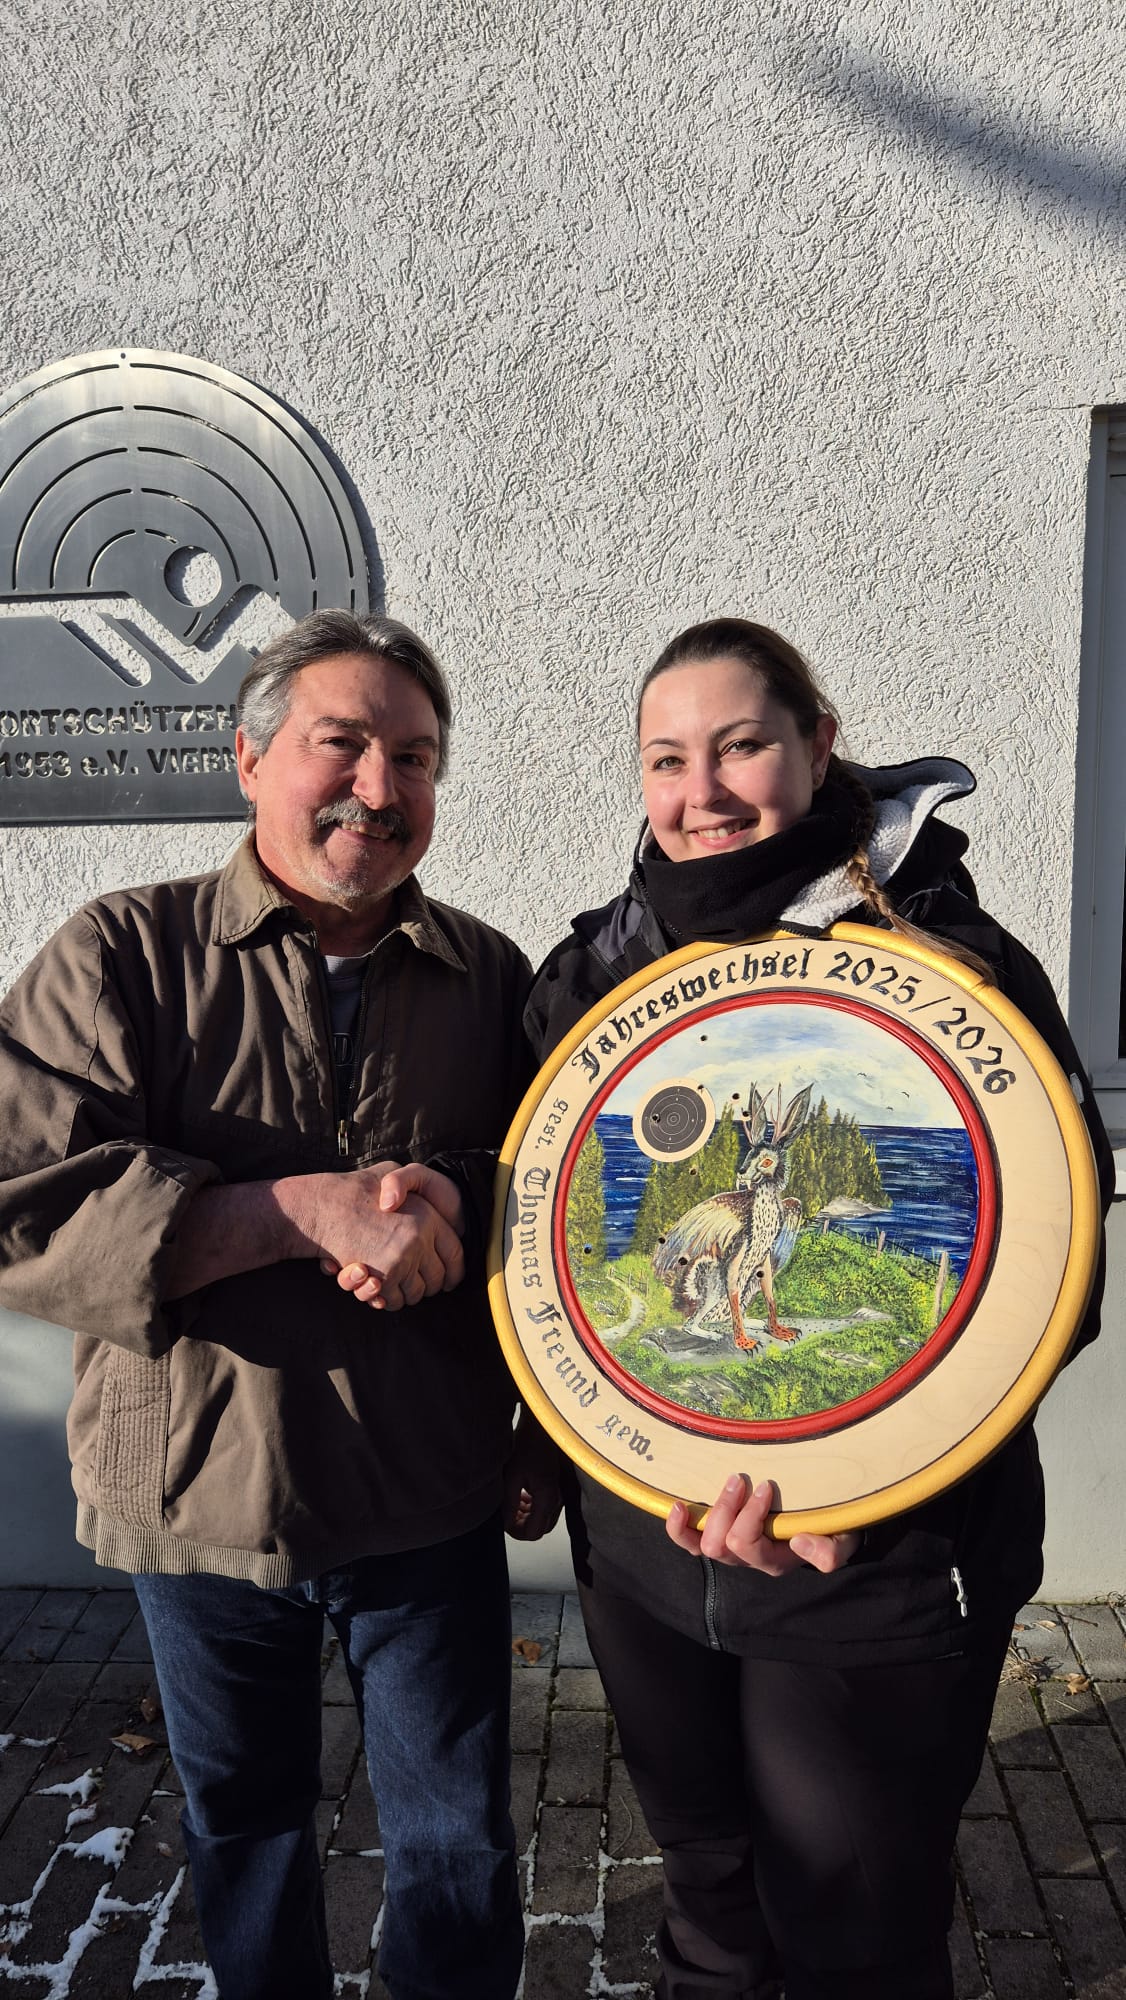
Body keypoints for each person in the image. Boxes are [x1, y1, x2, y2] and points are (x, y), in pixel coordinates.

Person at [521, 617, 1114, 2000]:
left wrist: (854, 1474)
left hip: (877, 1573)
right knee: (710, 1907)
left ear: (815, 743)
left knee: (854, 1933)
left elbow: (1048, 1280)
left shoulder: (950, 964)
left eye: (739, 746)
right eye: (666, 759)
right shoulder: (597, 976)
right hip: (646, 1554)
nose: (702, 789)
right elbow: (534, 1235)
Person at [0, 609, 559, 2000]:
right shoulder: (122, 951)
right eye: (343, 744)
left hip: (427, 1491)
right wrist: (294, 1210)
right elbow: (23, 1201)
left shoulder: (489, 975)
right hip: (198, 1497)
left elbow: (562, 1204)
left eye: (416, 757)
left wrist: (452, 1209)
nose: (380, 789)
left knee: (455, 1846)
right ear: (248, 758)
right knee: (244, 1830)